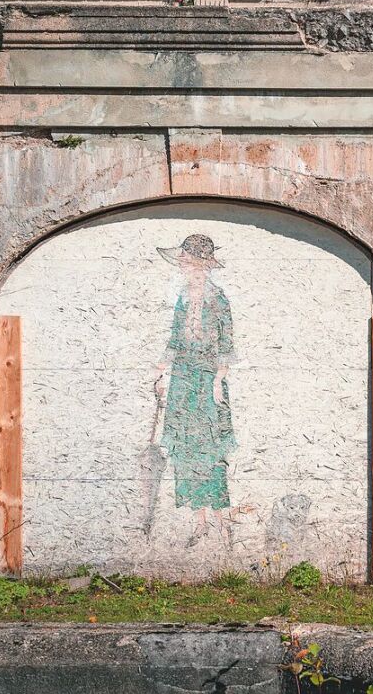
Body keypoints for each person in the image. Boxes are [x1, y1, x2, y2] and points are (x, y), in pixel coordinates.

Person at [155, 233, 237, 543]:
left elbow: (227, 344)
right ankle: (199, 521)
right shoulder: (183, 298)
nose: (185, 269)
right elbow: (175, 340)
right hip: (182, 378)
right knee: (185, 449)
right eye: (184, 264)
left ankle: (220, 519)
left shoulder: (218, 300)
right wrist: (161, 370)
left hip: (207, 379)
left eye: (189, 264)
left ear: (203, 266)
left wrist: (218, 379)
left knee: (211, 449)